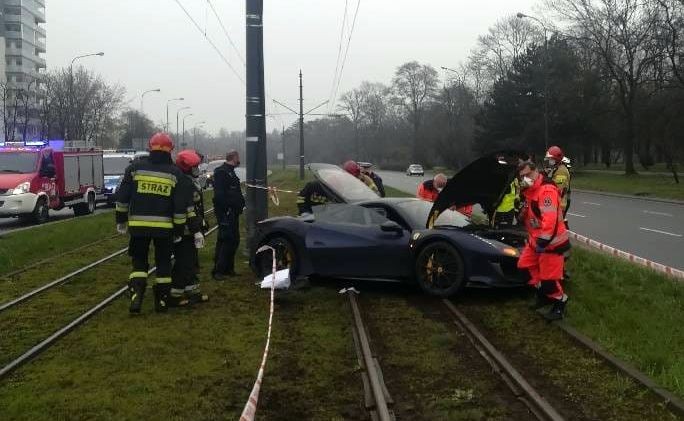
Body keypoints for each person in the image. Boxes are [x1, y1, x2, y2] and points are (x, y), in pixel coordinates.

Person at [115, 133, 191, 313]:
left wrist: (121, 220)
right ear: (170, 151)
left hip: (138, 228)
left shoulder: (134, 169)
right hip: (164, 230)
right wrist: (179, 230)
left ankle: (136, 298)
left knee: (139, 262)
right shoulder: (175, 173)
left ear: (150, 148)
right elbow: (180, 207)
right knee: (163, 263)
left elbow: (122, 198)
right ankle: (162, 301)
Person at [516, 161, 571, 321]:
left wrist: (542, 243)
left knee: (549, 280)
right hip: (536, 242)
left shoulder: (546, 190)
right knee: (524, 266)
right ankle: (544, 295)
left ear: (536, 172)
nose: (525, 179)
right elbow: (531, 215)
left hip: (551, 245)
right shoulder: (531, 191)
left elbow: (550, 221)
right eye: (522, 177)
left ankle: (560, 303)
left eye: (528, 175)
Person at [171, 150, 209, 305]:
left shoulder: (188, 181)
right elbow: (189, 210)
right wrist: (196, 231)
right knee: (184, 261)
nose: (197, 170)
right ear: (187, 168)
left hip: (189, 228)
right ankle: (175, 295)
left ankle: (192, 290)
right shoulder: (184, 183)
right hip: (186, 230)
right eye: (195, 167)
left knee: (191, 261)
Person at [212, 150, 245, 280]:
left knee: (234, 240)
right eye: (238, 157)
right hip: (226, 213)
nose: (239, 160)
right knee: (226, 240)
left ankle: (229, 269)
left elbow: (235, 192)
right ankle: (218, 271)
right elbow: (220, 195)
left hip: (233, 212)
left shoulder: (230, 171)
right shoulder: (222, 172)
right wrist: (226, 210)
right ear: (234, 157)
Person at [543, 146, 571, 220]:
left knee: (557, 226)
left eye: (550, 159)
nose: (549, 161)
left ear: (556, 159)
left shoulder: (561, 171)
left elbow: (558, 189)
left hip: (559, 205)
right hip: (554, 204)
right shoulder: (556, 168)